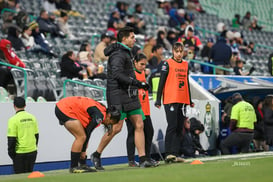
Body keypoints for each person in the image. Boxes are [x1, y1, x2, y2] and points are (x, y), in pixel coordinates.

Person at [90, 26, 154, 170]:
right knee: (116, 127)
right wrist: (137, 83)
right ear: (124, 39)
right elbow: (117, 75)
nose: (134, 39)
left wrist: (136, 85)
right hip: (118, 95)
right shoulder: (118, 54)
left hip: (129, 94)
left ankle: (143, 159)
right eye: (132, 37)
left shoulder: (125, 52)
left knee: (139, 124)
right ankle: (96, 154)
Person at [55, 96, 121, 173]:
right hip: (65, 108)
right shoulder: (99, 116)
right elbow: (88, 131)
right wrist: (83, 151)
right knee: (81, 137)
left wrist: (84, 152)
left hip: (64, 105)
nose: (109, 125)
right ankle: (74, 167)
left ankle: (82, 165)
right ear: (109, 116)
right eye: (110, 122)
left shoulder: (102, 109)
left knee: (83, 137)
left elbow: (87, 131)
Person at [155, 42, 193, 163]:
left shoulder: (186, 65)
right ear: (173, 51)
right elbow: (161, 82)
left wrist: (190, 100)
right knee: (172, 126)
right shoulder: (167, 63)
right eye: (177, 51)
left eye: (181, 51)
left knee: (179, 127)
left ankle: (175, 154)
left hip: (182, 100)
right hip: (170, 99)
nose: (179, 54)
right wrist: (158, 99)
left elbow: (186, 82)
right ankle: (168, 153)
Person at [125, 53, 158, 167]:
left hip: (145, 108)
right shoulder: (130, 74)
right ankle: (131, 160)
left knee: (149, 132)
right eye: (141, 64)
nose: (144, 67)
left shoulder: (143, 73)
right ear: (135, 63)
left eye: (145, 64)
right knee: (131, 133)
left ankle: (146, 157)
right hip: (133, 108)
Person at [7, 97, 39, 174]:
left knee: (19, 177)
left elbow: (11, 139)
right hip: (32, 151)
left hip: (20, 153)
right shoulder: (32, 117)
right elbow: (36, 135)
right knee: (29, 175)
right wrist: (34, 147)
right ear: (25, 105)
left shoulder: (13, 120)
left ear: (14, 106)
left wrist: (11, 154)